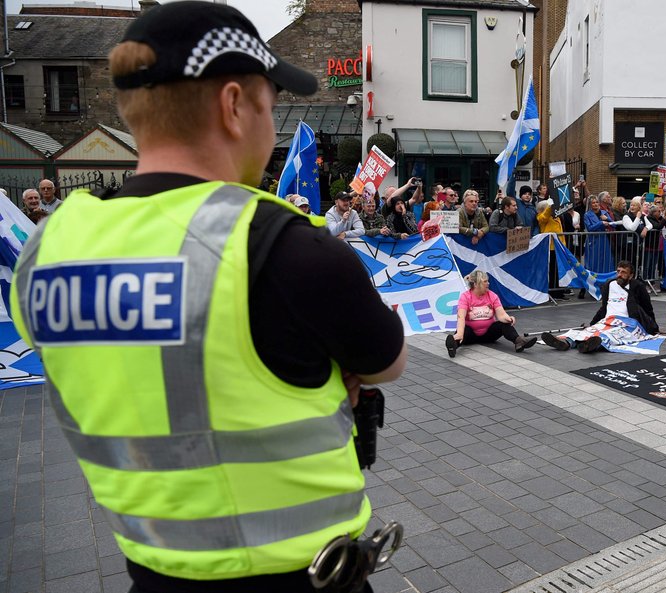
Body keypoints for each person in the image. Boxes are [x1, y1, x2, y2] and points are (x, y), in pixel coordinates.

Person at [9, 3, 407, 590]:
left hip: (149, 572)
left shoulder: (46, 253)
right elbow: (387, 361)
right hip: (301, 577)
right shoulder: (283, 246)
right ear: (234, 106)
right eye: (270, 106)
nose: (272, 129)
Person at [541, 259, 658, 353]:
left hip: (627, 323)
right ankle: (566, 342)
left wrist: (653, 327)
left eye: (624, 273)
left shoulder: (638, 287)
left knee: (608, 335)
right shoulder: (609, 285)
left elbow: (647, 307)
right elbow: (604, 307)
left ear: (631, 275)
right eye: (618, 271)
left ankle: (590, 346)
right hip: (608, 320)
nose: (620, 275)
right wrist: (593, 323)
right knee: (588, 331)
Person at [445, 270, 537, 357]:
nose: (488, 283)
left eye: (487, 281)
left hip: (489, 334)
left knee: (505, 324)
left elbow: (501, 315)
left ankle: (519, 342)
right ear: (476, 284)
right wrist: (460, 333)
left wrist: (508, 318)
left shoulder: (492, 295)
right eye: (485, 281)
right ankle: (453, 346)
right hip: (470, 334)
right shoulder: (465, 297)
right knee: (462, 331)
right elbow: (461, 317)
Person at [583, 194, 614, 273]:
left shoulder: (604, 213)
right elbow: (590, 228)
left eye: (597, 202)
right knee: (593, 260)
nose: (596, 204)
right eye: (593, 203)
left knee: (605, 260)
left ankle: (605, 278)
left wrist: (607, 219)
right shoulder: (587, 215)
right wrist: (601, 223)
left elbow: (613, 224)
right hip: (593, 240)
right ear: (590, 205)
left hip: (604, 239)